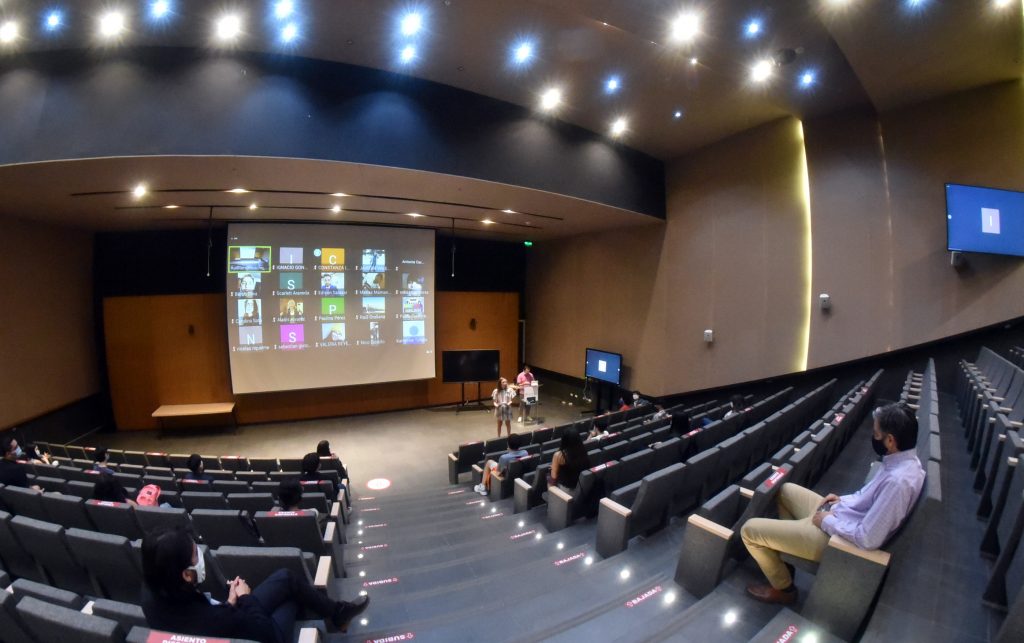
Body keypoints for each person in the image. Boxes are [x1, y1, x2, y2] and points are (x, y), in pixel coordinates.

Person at [740, 402, 925, 605]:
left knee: (749, 531)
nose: (873, 437)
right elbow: (866, 497)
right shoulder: (903, 461)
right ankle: (786, 553)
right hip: (838, 515)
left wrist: (826, 521)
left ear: (890, 440)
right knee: (785, 491)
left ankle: (784, 588)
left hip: (834, 538)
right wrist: (841, 500)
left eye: (876, 434)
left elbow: (868, 538)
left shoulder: (898, 483)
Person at [140, 526, 369, 642]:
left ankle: (337, 613)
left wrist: (230, 603)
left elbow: (205, 618)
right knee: (291, 596)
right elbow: (266, 634)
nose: (199, 555)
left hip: (224, 621)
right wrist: (245, 597)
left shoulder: (150, 593)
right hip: (258, 634)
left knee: (287, 578)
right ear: (186, 575)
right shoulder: (215, 619)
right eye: (194, 554)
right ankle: (335, 615)